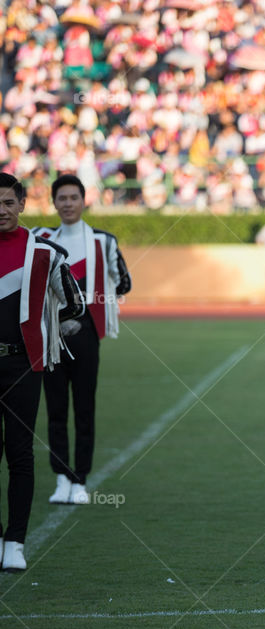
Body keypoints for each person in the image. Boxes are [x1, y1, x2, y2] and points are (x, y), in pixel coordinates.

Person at [0, 173, 83, 571]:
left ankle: (14, 541)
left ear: (21, 206)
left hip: (22, 365)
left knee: (19, 454)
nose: (1, 211)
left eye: (8, 203)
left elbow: (74, 304)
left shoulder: (45, 253)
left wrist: (46, 325)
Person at [33, 174, 132, 505]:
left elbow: (123, 282)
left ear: (84, 200)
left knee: (84, 409)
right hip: (51, 338)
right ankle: (61, 477)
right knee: (56, 409)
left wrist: (97, 301)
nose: (68, 203)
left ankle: (80, 480)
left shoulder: (103, 241)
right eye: (61, 198)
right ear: (54, 202)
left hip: (87, 335)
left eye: (73, 197)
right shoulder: (40, 238)